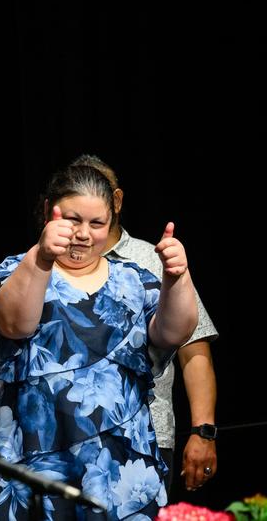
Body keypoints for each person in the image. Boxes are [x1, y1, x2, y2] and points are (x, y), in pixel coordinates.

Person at [0, 164, 198, 520]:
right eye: (72, 220)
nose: (83, 234)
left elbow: (173, 333)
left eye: (96, 224)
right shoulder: (15, 270)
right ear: (47, 213)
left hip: (121, 468)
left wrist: (178, 277)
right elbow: (16, 324)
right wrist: (41, 258)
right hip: (37, 464)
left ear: (111, 222)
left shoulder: (135, 280)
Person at [74, 154, 219, 493]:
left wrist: (204, 430)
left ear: (117, 200)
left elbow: (193, 347)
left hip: (147, 435)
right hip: (71, 438)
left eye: (99, 190)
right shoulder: (50, 264)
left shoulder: (154, 259)